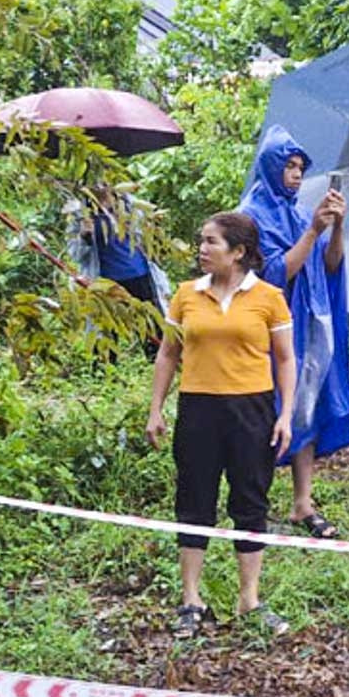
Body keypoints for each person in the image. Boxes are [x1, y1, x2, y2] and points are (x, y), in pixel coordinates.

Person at [145, 212, 296, 641]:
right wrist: (156, 409)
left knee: (250, 499)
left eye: (211, 242)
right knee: (194, 499)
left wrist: (285, 415)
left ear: (239, 252)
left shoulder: (269, 297)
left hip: (252, 410)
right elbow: (168, 356)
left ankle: (249, 599)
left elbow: (285, 359)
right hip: (198, 410)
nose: (201, 249)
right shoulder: (186, 295)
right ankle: (191, 599)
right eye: (201, 241)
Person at [239, 125, 349, 539]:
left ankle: (302, 502)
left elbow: (330, 266)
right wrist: (313, 232)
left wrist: (336, 227)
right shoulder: (251, 214)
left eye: (300, 167)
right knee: (267, 409)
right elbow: (273, 275)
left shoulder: (297, 209)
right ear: (270, 166)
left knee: (306, 403)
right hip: (268, 331)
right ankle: (256, 502)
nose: (296, 174)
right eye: (288, 165)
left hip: (310, 326)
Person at [64, 184, 174, 355]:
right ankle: (106, 374)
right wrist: (84, 236)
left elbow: (153, 241)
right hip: (104, 282)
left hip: (140, 276)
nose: (100, 183)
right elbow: (75, 254)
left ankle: (159, 371)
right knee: (104, 332)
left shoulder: (131, 206)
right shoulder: (80, 214)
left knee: (151, 329)